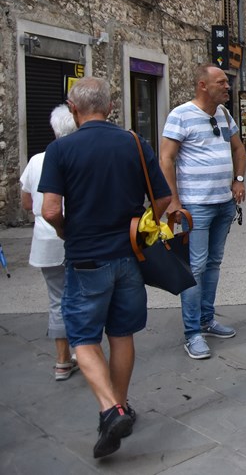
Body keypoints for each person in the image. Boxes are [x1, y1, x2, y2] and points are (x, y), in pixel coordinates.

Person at [39, 77, 172, 459]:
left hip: (86, 258)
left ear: (73, 109)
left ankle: (111, 409)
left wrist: (66, 231)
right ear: (111, 107)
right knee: (121, 333)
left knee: (83, 337)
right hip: (129, 256)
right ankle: (120, 405)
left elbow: (50, 209)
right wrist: (140, 228)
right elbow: (162, 199)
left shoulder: (60, 149)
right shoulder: (135, 143)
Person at [160, 65, 246, 360]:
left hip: (224, 202)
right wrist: (173, 202)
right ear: (202, 85)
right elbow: (166, 159)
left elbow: (238, 149)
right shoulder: (180, 115)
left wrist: (238, 180)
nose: (227, 86)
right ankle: (192, 332)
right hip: (195, 205)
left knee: (213, 263)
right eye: (221, 82)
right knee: (195, 267)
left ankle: (207, 319)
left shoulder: (224, 114)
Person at [20, 104, 78, 381]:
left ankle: (62, 361)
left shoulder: (36, 161)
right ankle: (84, 353)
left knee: (57, 300)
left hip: (44, 239)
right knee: (81, 297)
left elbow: (27, 202)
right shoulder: (78, 158)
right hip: (73, 237)